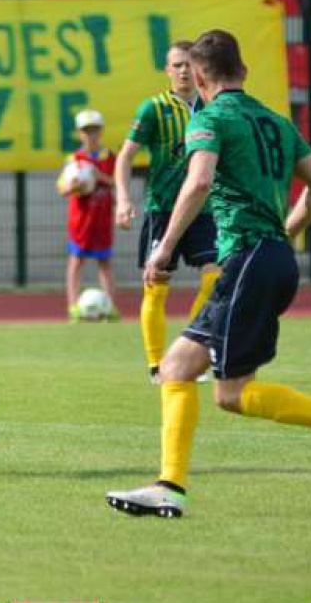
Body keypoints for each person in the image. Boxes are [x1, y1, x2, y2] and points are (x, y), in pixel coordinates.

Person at [105, 30, 311, 519]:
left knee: (232, 393)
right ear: (245, 72)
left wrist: (164, 248)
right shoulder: (276, 121)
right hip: (271, 258)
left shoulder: (209, 118)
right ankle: (169, 485)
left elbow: (198, 181)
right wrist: (285, 233)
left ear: (196, 75)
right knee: (178, 370)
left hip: (248, 260)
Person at [114, 41, 221, 384]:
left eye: (189, 64)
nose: (184, 71)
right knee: (156, 286)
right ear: (167, 70)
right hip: (162, 210)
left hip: (201, 210)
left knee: (216, 277)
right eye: (177, 65)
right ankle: (157, 365)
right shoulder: (154, 109)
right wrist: (123, 198)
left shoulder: (211, 107)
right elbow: (125, 156)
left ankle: (189, 350)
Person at [57, 109, 118, 322]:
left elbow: (117, 182)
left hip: (102, 219)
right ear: (80, 133)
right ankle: (73, 306)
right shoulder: (74, 159)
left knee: (105, 262)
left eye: (94, 130)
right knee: (76, 261)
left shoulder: (109, 157)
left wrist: (98, 176)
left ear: (100, 131)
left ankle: (109, 307)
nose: (90, 134)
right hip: (80, 221)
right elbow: (62, 188)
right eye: (86, 130)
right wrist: (74, 185)